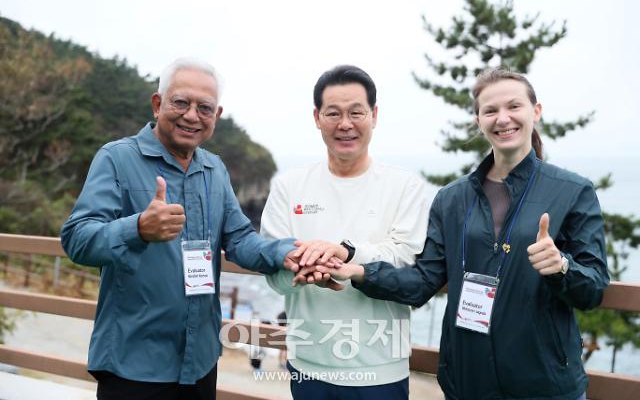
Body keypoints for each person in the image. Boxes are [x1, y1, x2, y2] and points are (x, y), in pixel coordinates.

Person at [318, 68, 609, 400]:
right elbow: (422, 282)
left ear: (536, 111)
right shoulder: (453, 198)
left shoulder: (572, 191)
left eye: (514, 106)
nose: (503, 118)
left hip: (544, 385)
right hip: (468, 383)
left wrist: (562, 267)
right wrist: (360, 272)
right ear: (478, 120)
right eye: (490, 110)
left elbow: (594, 288)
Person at [60, 58, 300, 400]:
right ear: (158, 104)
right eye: (181, 102)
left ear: (216, 117)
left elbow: (241, 240)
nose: (191, 115)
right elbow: (77, 239)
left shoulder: (214, 169)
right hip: (134, 362)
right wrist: (138, 228)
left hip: (199, 359)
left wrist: (287, 252)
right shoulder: (117, 159)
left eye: (204, 107)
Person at [260, 65, 430, 399]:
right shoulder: (289, 186)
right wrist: (301, 271)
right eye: (333, 113)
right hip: (309, 361)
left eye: (356, 112)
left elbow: (407, 260)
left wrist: (346, 254)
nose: (345, 124)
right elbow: (272, 269)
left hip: (381, 367)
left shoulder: (404, 186)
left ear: (374, 115)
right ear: (317, 117)